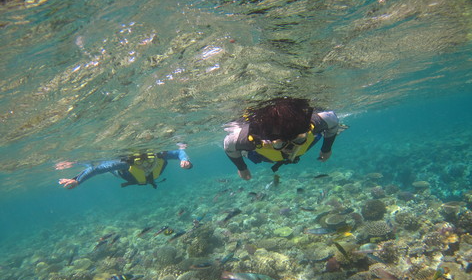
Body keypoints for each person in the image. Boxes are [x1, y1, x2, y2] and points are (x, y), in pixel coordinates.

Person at [223, 97, 340, 180]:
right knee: (255, 155)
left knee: (318, 133)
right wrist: (242, 167)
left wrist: (327, 148)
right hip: (265, 152)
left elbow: (333, 121)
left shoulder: (320, 121)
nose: (290, 148)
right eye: (280, 144)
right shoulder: (243, 139)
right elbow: (228, 146)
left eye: (298, 140)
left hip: (294, 141)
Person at [59, 147, 192, 189]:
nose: (146, 165)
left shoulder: (160, 156)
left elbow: (179, 152)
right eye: (140, 162)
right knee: (103, 165)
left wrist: (185, 160)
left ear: (154, 157)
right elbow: (97, 169)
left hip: (145, 178)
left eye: (150, 160)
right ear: (134, 161)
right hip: (120, 173)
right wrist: (78, 180)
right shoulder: (125, 163)